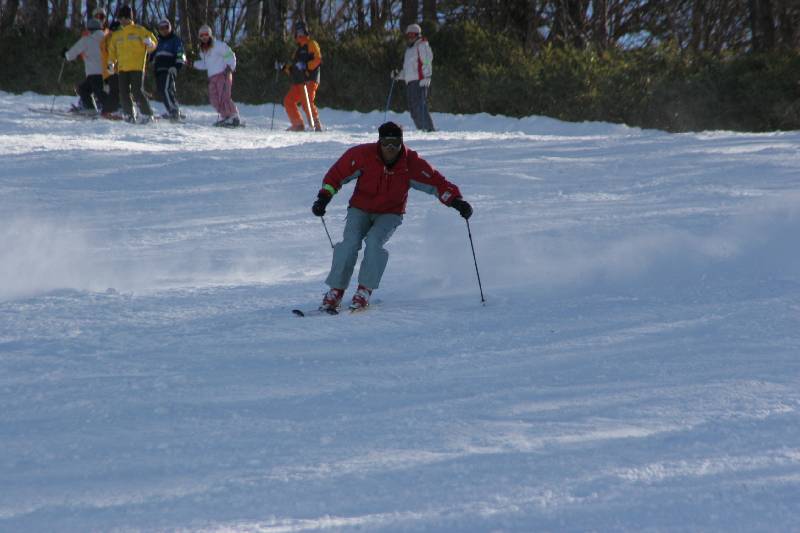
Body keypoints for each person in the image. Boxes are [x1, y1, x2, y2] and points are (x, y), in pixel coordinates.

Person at [310, 121, 472, 312]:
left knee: (374, 243)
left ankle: (364, 290)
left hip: (390, 213)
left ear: (401, 142)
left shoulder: (411, 163)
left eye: (395, 143)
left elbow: (438, 183)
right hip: (360, 209)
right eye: (386, 142)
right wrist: (323, 198)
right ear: (379, 142)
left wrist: (457, 202)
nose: (390, 148)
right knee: (350, 244)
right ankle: (336, 291)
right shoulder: (362, 155)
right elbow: (336, 175)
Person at [107, 5, 157, 123]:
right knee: (123, 93)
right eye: (121, 18)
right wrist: (111, 63)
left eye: (125, 18)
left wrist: (150, 43)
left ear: (130, 18)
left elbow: (153, 45)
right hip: (122, 68)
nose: (122, 21)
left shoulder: (140, 30)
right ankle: (129, 114)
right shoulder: (117, 35)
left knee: (137, 91)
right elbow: (112, 52)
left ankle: (147, 114)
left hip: (137, 67)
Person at [189, 24, 240, 127]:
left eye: (206, 34)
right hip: (212, 77)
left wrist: (230, 66)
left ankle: (233, 116)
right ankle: (226, 116)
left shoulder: (218, 45)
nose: (204, 37)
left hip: (223, 74)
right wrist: (193, 64)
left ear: (210, 35)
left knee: (224, 96)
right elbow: (205, 64)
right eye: (201, 35)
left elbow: (229, 54)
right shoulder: (203, 50)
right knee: (214, 99)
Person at [279, 21, 322, 132]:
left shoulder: (312, 44)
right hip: (299, 81)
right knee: (288, 100)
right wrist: (284, 67)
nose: (300, 35)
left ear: (306, 32)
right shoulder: (297, 51)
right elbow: (294, 68)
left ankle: (316, 124)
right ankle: (298, 124)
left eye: (301, 32)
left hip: (310, 79)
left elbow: (318, 59)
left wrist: (306, 66)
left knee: (307, 101)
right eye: (297, 32)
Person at [393, 23, 435, 132]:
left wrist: (427, 76)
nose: (410, 37)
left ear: (418, 35)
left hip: (420, 81)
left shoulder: (422, 45)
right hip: (410, 82)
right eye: (409, 35)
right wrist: (398, 75)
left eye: (413, 35)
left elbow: (427, 61)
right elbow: (408, 70)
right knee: (413, 108)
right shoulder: (409, 50)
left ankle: (428, 129)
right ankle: (421, 128)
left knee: (419, 106)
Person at [63, 18, 106, 115]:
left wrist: (65, 54)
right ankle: (91, 108)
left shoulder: (87, 40)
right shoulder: (106, 38)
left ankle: (110, 109)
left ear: (89, 29)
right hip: (107, 72)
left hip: (94, 72)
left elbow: (71, 54)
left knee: (95, 92)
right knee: (85, 89)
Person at [150, 18, 186, 121]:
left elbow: (180, 53)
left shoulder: (175, 39)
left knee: (166, 89)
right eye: (161, 28)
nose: (164, 30)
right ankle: (173, 109)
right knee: (163, 91)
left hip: (169, 68)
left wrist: (177, 65)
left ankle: (173, 111)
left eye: (166, 27)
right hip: (159, 69)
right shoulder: (158, 41)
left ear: (170, 27)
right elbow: (152, 54)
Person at [99, 20, 122, 117]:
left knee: (115, 90)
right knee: (115, 90)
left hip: (108, 70)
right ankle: (109, 110)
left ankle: (114, 109)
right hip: (112, 69)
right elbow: (112, 56)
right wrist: (112, 71)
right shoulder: (111, 39)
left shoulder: (106, 39)